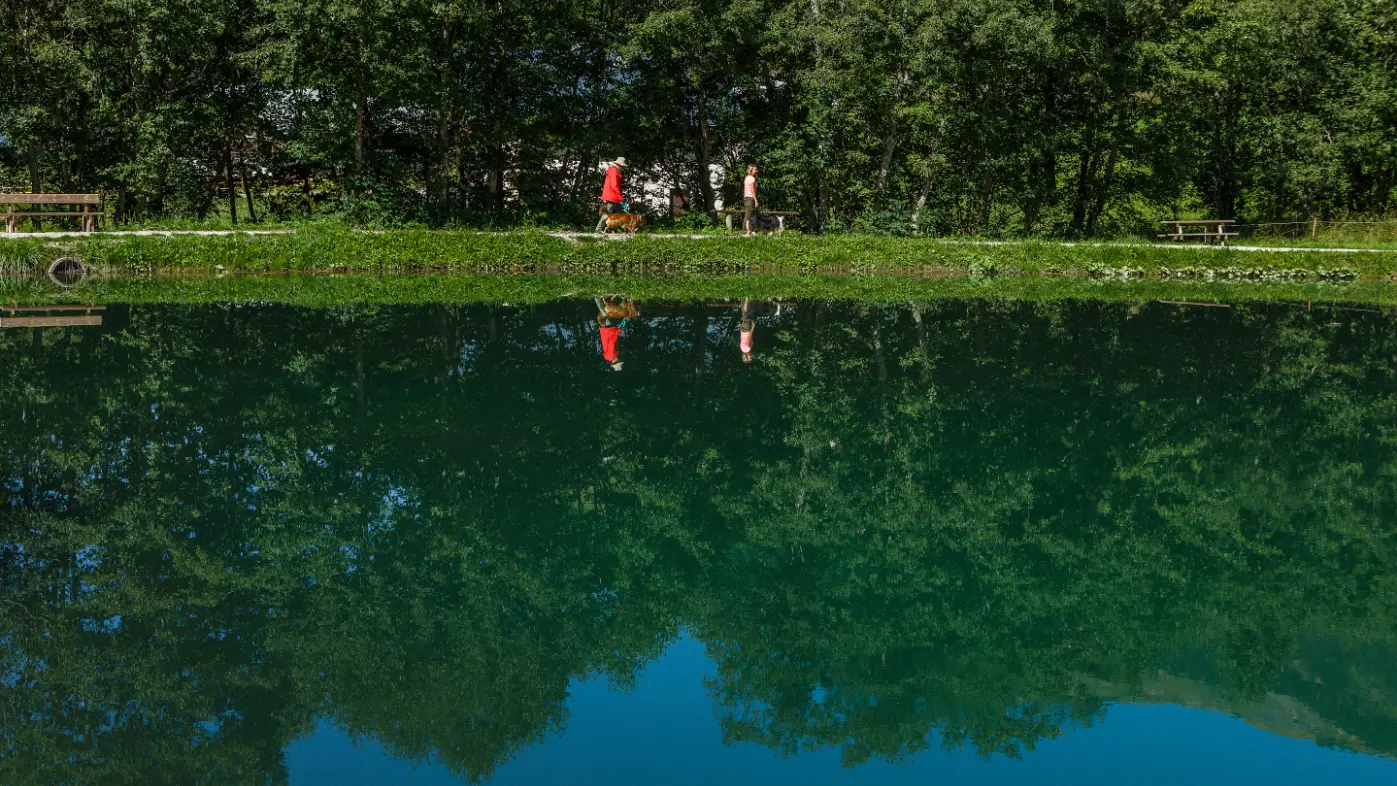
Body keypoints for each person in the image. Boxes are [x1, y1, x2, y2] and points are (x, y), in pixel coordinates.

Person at [595, 157, 628, 232]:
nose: (622, 168)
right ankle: (598, 229)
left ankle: (625, 229)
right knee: (607, 214)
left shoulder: (614, 171)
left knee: (622, 213)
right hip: (612, 196)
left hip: (613, 196)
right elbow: (614, 186)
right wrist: (620, 198)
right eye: (622, 166)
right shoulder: (614, 172)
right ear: (618, 165)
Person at [742, 164, 759, 235]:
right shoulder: (752, 179)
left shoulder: (747, 178)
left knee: (752, 215)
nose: (756, 171)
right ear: (751, 170)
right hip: (750, 198)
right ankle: (745, 231)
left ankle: (752, 230)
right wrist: (755, 200)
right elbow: (753, 191)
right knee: (749, 215)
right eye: (755, 170)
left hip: (747, 198)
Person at [739, 298, 755, 363]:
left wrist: (752, 328)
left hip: (747, 329)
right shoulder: (742, 349)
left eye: (750, 357)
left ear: (746, 356)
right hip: (743, 330)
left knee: (747, 314)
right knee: (744, 315)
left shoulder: (747, 349)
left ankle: (746, 300)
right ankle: (743, 299)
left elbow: (749, 337)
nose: (751, 356)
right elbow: (742, 339)